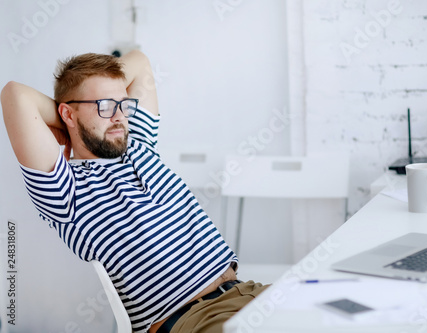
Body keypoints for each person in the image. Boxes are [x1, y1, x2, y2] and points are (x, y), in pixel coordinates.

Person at [1, 50, 268, 333]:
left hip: (247, 291)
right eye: (104, 105)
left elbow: (140, 62)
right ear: (66, 112)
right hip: (194, 318)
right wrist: (67, 122)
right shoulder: (66, 191)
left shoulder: (139, 144)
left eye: (123, 104)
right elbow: (14, 95)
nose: (118, 116)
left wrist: (84, 116)